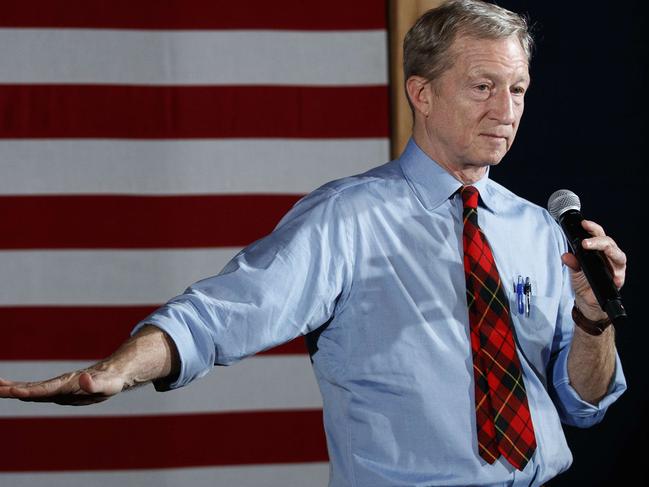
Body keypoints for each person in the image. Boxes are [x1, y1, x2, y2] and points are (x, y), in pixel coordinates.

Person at [0, 1, 627, 485]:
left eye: (517, 89)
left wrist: (594, 321)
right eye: (483, 86)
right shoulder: (346, 218)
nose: (506, 110)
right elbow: (222, 313)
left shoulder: (540, 231)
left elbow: (585, 404)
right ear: (422, 92)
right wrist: (116, 371)